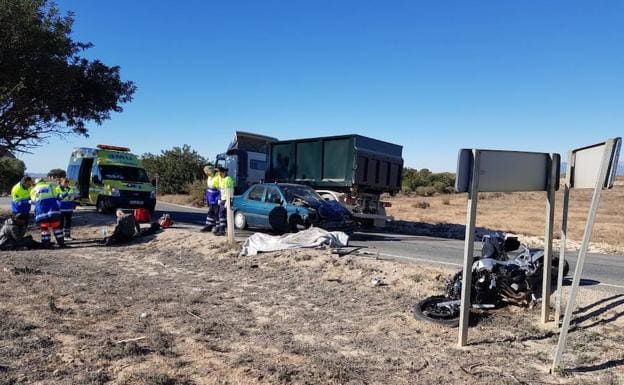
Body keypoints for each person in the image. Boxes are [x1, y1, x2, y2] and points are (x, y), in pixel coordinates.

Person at [30, 178, 64, 248]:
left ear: (36, 183)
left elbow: (33, 201)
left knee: (44, 228)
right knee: (57, 227)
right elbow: (57, 196)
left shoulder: (33, 190)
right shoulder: (50, 186)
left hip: (41, 213)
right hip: (53, 211)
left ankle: (46, 245)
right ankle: (61, 243)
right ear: (43, 181)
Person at [214, 166, 234, 236]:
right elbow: (220, 189)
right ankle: (221, 229)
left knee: (224, 215)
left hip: (227, 199)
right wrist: (220, 198)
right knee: (221, 214)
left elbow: (231, 190)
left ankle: (222, 230)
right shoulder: (221, 178)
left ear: (224, 172)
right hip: (222, 199)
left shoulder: (228, 179)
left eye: (219, 172)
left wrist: (228, 200)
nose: (218, 173)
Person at [200, 165, 219, 232]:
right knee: (210, 211)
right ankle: (208, 225)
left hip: (217, 197)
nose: (206, 174)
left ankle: (217, 226)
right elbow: (209, 187)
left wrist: (220, 198)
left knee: (217, 212)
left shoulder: (218, 176)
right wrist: (207, 197)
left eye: (207, 172)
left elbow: (220, 188)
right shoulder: (210, 176)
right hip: (211, 197)